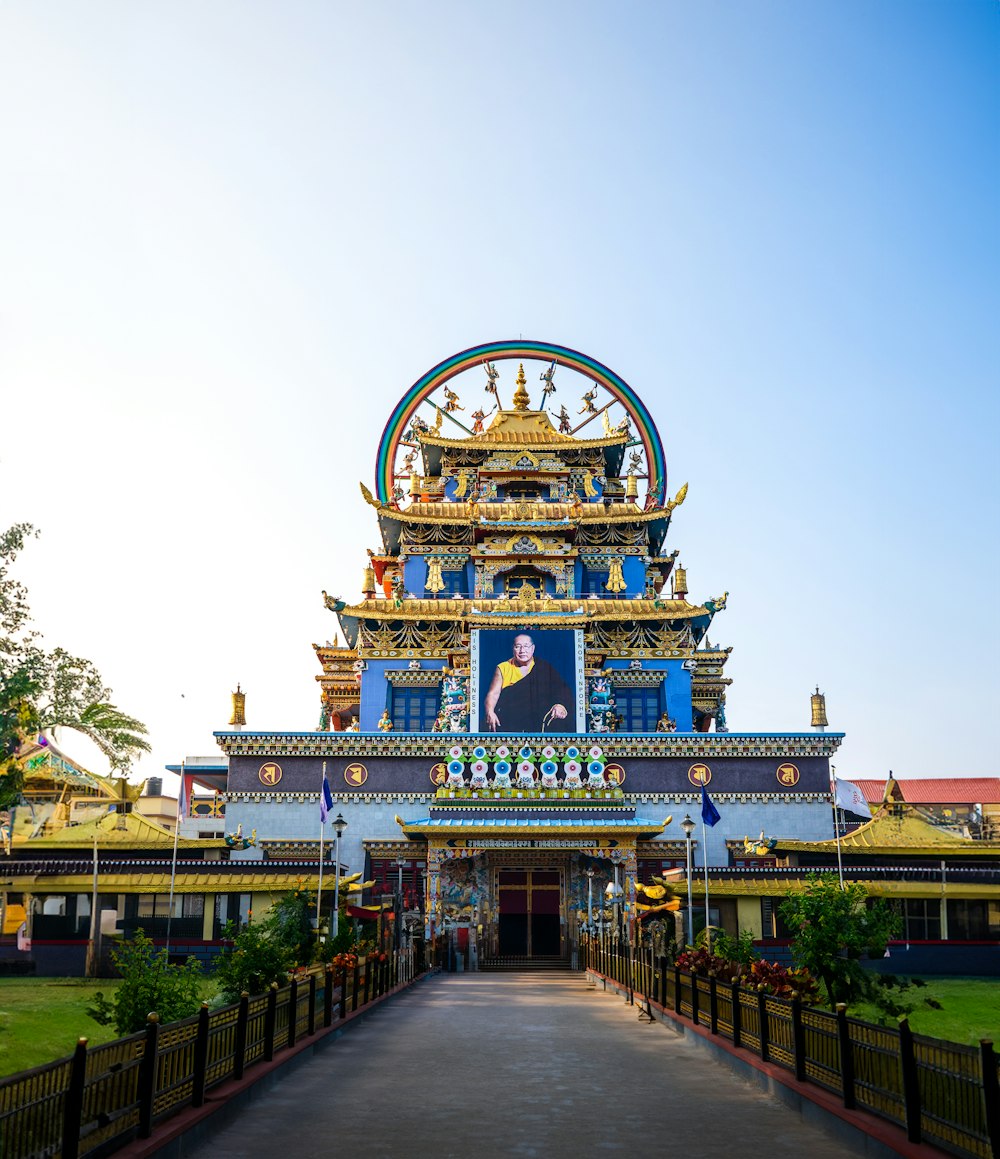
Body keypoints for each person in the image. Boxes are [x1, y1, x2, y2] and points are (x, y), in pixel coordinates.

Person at [483, 633, 574, 733]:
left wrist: (560, 705)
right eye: (518, 647)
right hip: (510, 721)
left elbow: (561, 689)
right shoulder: (503, 667)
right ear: (513, 649)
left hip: (538, 720)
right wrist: (490, 711)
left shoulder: (543, 667)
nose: (522, 651)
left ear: (533, 648)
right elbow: (493, 693)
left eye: (526, 646)